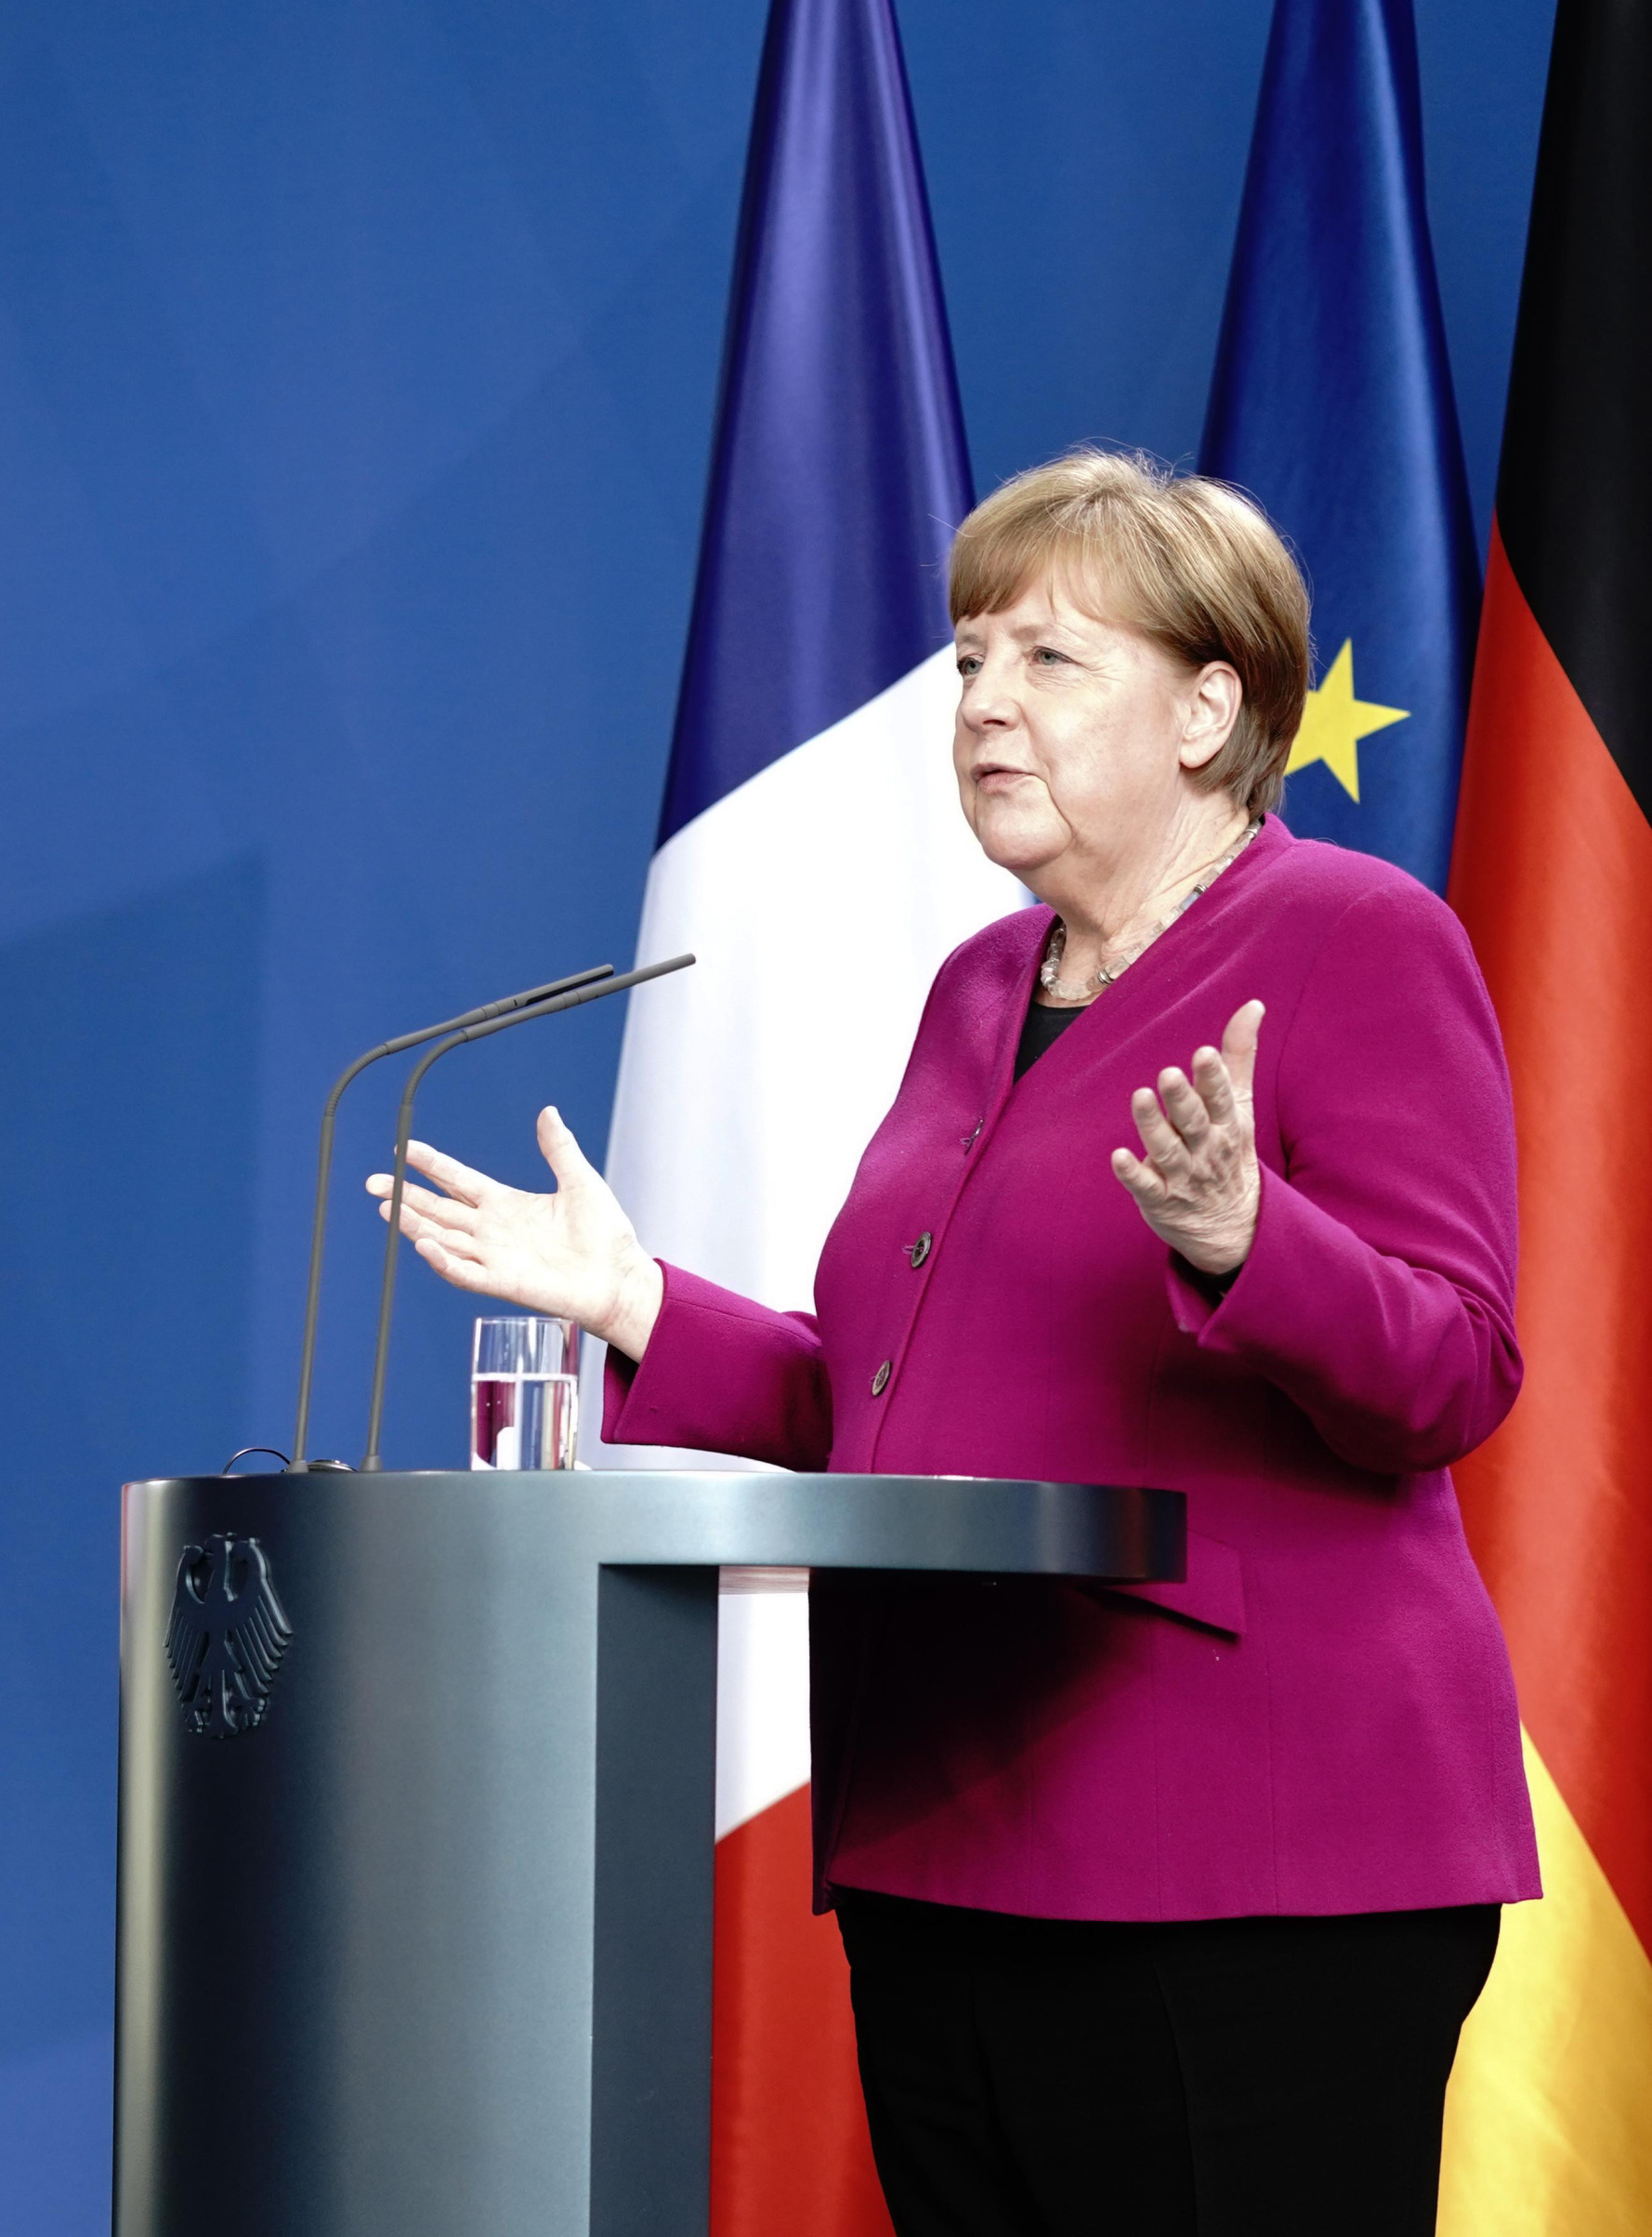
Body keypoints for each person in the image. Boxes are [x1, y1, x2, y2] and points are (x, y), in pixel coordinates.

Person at [375, 449, 1531, 2234]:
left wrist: (1254, 1245)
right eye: (969, 658)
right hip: (948, 1834)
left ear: (1213, 706)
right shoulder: (984, 987)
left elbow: (1452, 1371)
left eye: (1049, 660)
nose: (984, 701)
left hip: (1247, 1858)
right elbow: (893, 1404)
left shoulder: (1360, 939)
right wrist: (640, 1307)